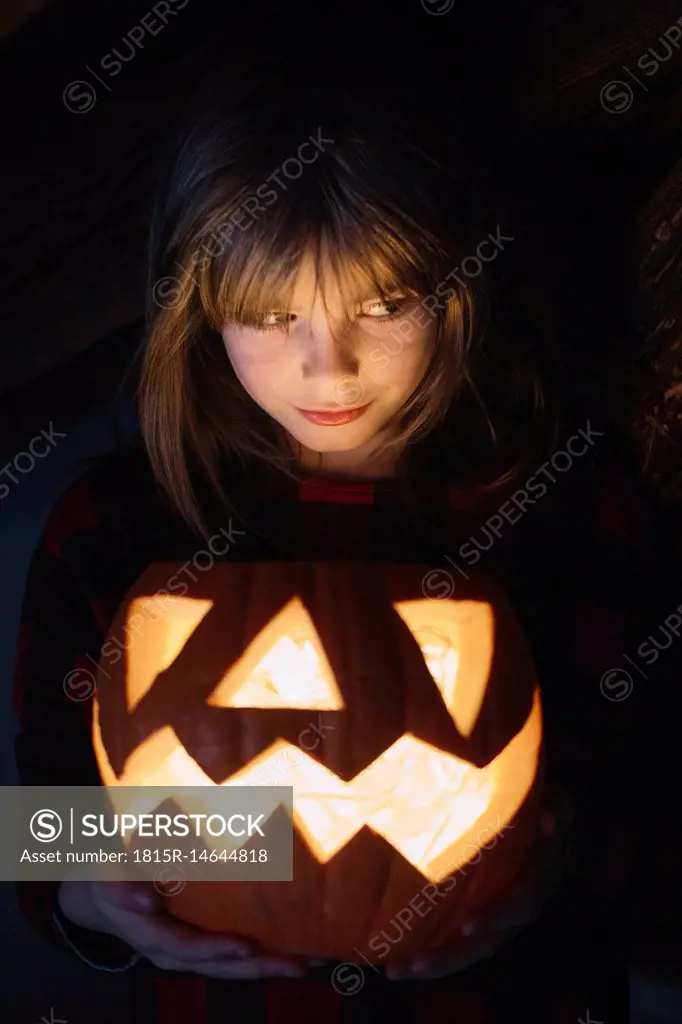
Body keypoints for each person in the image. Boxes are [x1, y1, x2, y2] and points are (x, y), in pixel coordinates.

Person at [12, 54, 651, 1021]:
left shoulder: (567, 512)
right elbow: (48, 822)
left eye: (386, 304)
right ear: (198, 304)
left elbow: (650, 796)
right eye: (272, 316)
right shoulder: (112, 531)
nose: (328, 368)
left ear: (458, 282)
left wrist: (555, 867)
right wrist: (95, 894)